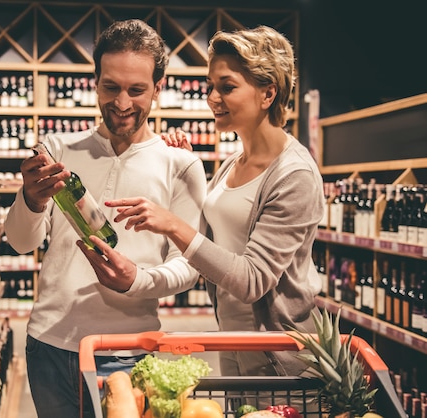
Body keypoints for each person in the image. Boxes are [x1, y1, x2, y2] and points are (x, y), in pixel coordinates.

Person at [88, 25, 325, 378]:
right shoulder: (233, 163)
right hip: (232, 337)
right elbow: (211, 244)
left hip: (280, 351)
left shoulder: (294, 175)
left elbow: (252, 280)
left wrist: (172, 223)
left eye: (226, 87)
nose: (212, 97)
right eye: (211, 86)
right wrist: (181, 168)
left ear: (267, 93)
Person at [3, 19, 207, 417]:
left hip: (129, 351)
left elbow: (190, 265)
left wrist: (137, 281)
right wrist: (30, 199)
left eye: (137, 90)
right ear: (94, 81)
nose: (123, 103)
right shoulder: (58, 149)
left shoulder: (181, 164)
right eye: (111, 87)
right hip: (49, 342)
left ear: (158, 89)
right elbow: (21, 243)